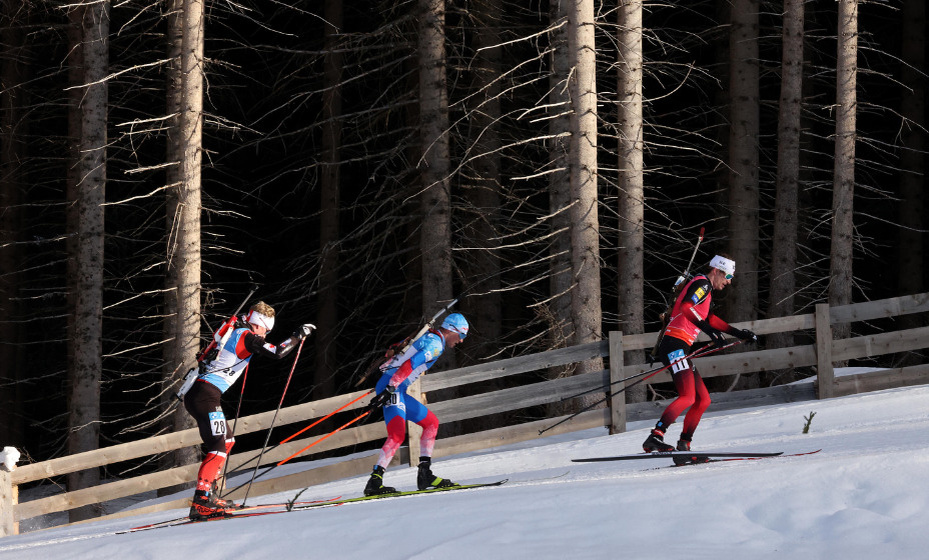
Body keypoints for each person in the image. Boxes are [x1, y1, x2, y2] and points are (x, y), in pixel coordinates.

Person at [184, 301, 314, 520]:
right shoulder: (246, 335)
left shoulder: (236, 330)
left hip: (202, 393)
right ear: (258, 324)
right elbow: (278, 352)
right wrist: (297, 336)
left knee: (226, 441)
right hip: (204, 394)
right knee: (219, 445)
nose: (265, 334)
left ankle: (209, 495)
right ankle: (202, 501)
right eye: (266, 330)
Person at [642, 255, 757, 458]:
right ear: (716, 271)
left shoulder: (706, 291)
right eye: (728, 276)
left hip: (680, 347)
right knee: (688, 396)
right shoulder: (702, 283)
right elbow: (686, 307)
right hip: (674, 345)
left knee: (703, 399)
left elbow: (709, 318)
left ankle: (684, 444)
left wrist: (738, 333)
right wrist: (710, 332)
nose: (729, 281)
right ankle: (655, 437)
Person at [363, 312, 469, 496]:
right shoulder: (435, 344)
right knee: (397, 435)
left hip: (396, 386)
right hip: (393, 386)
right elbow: (409, 365)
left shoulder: (429, 336)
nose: (461, 341)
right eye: (461, 335)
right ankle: (374, 482)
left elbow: (396, 350)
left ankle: (425, 473)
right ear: (451, 330)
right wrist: (390, 387)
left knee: (431, 423)